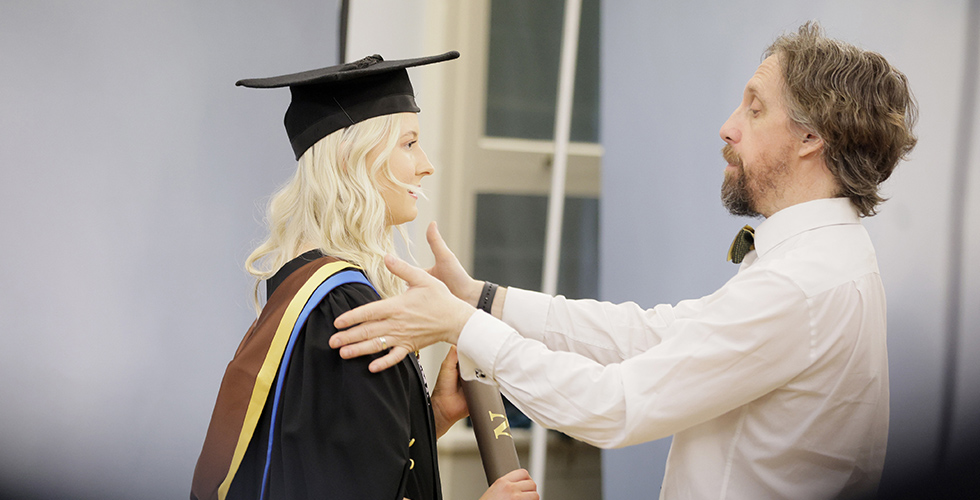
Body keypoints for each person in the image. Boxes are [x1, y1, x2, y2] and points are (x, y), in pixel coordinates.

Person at [328, 23, 918, 499]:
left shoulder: (802, 286)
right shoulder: (822, 262)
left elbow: (615, 406)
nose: (728, 127)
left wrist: (462, 328)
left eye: (755, 109)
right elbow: (656, 333)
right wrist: (484, 300)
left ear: (811, 139)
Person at [190, 52, 538, 500]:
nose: (426, 165)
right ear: (352, 158)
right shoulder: (345, 305)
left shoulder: (305, 283)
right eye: (409, 144)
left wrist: (434, 415)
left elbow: (339, 459)